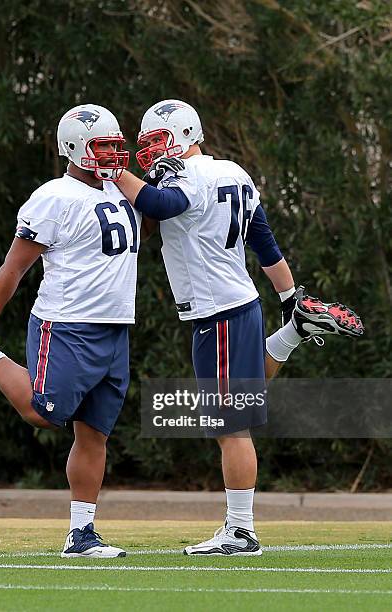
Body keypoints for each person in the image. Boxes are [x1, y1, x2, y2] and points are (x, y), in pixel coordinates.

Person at [115, 99, 364, 556]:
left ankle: (241, 530)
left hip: (219, 311)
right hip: (239, 305)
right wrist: (292, 299)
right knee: (242, 401)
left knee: (230, 426)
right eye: (145, 145)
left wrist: (114, 172)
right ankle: (295, 330)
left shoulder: (187, 177)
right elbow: (263, 240)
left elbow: (160, 203)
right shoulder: (233, 172)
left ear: (187, 137)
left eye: (158, 142)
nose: (150, 153)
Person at [0, 103, 142, 558]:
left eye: (116, 146)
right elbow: (14, 266)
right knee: (43, 413)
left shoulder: (121, 189)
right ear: (74, 148)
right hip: (66, 323)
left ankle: (81, 535)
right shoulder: (53, 197)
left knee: (94, 433)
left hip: (115, 327)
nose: (112, 155)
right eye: (102, 146)